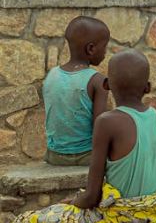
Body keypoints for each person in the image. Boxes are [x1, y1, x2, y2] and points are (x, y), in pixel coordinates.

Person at [7, 50, 156, 223]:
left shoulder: (107, 122)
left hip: (117, 221)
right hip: (152, 218)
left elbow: (92, 195)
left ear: (107, 85)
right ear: (147, 87)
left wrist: (76, 201)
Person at [42, 16, 111, 166]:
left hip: (54, 155)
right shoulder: (98, 81)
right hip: (87, 156)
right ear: (91, 49)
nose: (106, 52)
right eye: (105, 47)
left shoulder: (51, 75)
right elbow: (100, 127)